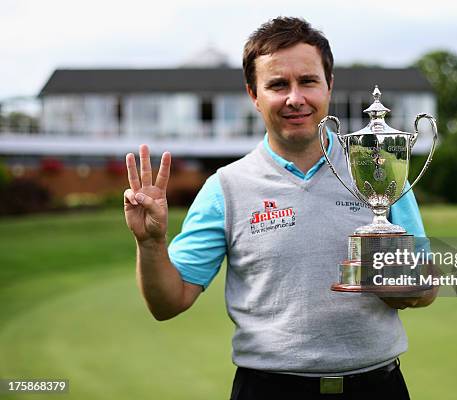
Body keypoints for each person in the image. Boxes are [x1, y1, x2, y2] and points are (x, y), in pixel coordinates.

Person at [124, 16, 436, 400]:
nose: (295, 98)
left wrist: (404, 286)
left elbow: (426, 287)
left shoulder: (380, 169)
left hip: (377, 387)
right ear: (253, 94)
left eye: (308, 81)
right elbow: (168, 302)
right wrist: (151, 243)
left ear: (329, 85)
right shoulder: (225, 187)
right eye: (277, 84)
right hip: (268, 389)